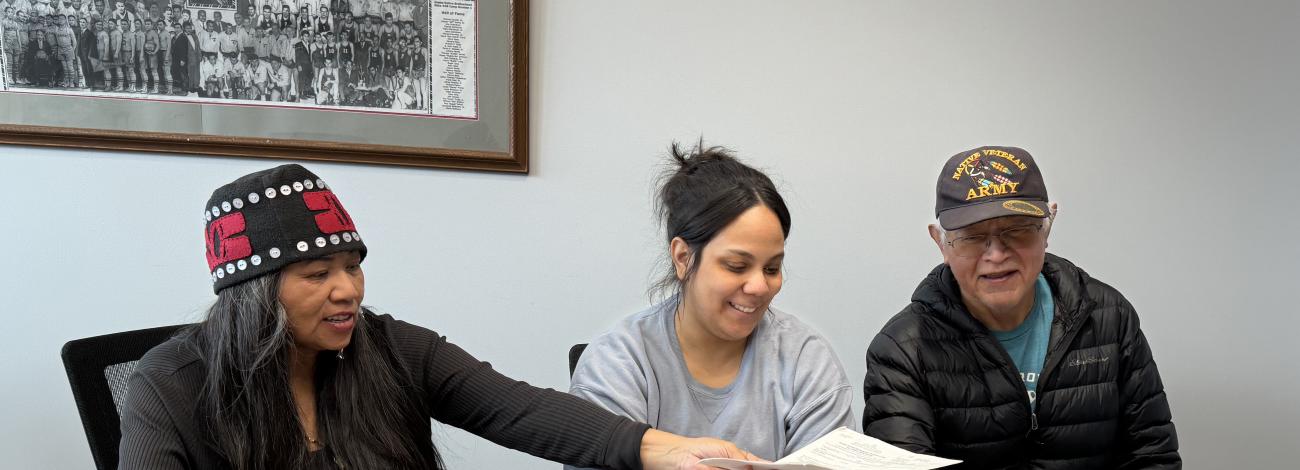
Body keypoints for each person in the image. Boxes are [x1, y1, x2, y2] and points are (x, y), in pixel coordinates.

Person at [117, 164, 763, 469]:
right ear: (253, 293)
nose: (348, 291)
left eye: (353, 267)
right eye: (317, 275)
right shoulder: (169, 383)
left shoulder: (392, 349)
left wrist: (671, 450)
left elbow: (522, 410)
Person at [862, 146, 1180, 468]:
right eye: (972, 237)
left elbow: (1152, 457)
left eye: (1017, 230)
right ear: (940, 243)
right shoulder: (903, 349)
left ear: (1047, 228)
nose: (996, 255)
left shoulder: (1109, 317)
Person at [567, 143, 856, 466]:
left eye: (772, 268)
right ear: (683, 258)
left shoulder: (805, 359)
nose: (760, 287)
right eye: (736, 266)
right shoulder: (619, 362)